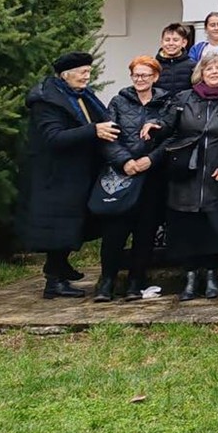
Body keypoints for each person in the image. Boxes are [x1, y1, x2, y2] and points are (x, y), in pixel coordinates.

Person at [143, 53, 218, 301]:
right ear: (201, 73)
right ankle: (189, 278)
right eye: (209, 69)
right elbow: (168, 124)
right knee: (186, 227)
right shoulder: (184, 98)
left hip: (215, 174)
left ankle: (211, 275)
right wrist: (154, 124)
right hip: (185, 172)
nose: (214, 72)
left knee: (212, 227)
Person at [17, 51, 116, 299]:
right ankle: (54, 281)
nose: (87, 76)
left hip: (77, 172)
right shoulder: (47, 102)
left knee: (73, 224)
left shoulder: (81, 95)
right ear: (65, 75)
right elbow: (54, 137)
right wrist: (93, 131)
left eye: (88, 72)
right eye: (82, 72)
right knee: (58, 227)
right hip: (55, 175)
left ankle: (60, 267)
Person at [95, 56, 172, 301]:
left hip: (152, 175)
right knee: (114, 232)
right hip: (123, 175)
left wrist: (151, 159)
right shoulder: (119, 101)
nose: (140, 79)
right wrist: (125, 161)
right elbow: (108, 137)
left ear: (155, 77)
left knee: (145, 231)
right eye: (136, 75)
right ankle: (107, 281)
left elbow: (172, 136)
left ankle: (136, 282)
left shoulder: (166, 102)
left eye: (145, 75)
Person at [155, 23, 196, 96]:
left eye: (175, 40)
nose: (171, 43)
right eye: (167, 40)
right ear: (162, 42)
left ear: (184, 43)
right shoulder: (154, 65)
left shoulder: (193, 66)